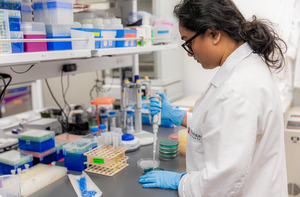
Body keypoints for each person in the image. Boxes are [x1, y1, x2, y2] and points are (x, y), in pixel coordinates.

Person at [139, 0, 288, 196]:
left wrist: (180, 181)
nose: (190, 54)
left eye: (189, 42)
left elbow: (223, 179)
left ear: (214, 34)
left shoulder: (238, 88)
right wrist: (180, 116)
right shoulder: (245, 67)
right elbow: (225, 128)